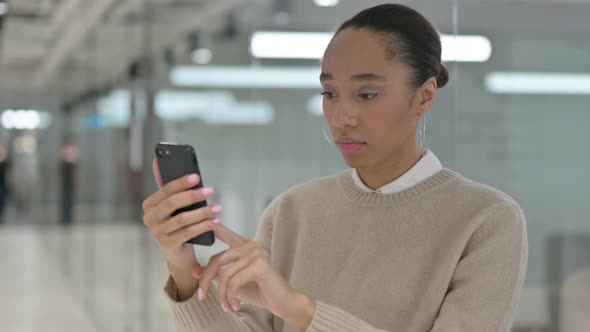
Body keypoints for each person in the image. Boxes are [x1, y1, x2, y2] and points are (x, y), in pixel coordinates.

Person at [142, 4, 528, 332]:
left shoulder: (487, 221)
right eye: (329, 93)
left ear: (424, 96)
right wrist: (182, 267)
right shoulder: (292, 211)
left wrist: (299, 309)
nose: (341, 116)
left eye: (367, 94)